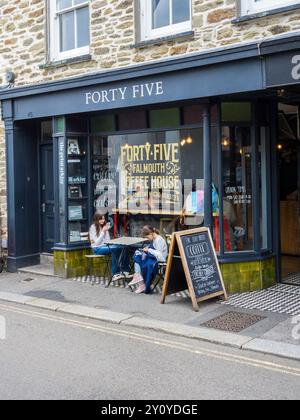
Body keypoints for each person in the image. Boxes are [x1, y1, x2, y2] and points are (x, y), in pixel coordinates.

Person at [128, 226, 168, 294]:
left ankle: (142, 283)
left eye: (147, 237)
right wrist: (147, 249)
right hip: (154, 258)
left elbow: (160, 256)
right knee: (138, 255)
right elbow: (153, 250)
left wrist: (149, 250)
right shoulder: (155, 239)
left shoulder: (159, 240)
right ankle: (138, 277)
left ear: (151, 233)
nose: (147, 238)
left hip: (159, 261)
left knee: (142, 260)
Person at [89, 213, 129, 281]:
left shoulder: (104, 226)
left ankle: (125, 271)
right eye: (101, 219)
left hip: (105, 246)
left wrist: (106, 231)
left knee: (124, 247)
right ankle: (115, 273)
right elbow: (97, 243)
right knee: (115, 249)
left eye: (104, 218)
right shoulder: (93, 227)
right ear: (96, 219)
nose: (103, 220)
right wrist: (103, 232)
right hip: (97, 249)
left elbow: (108, 241)